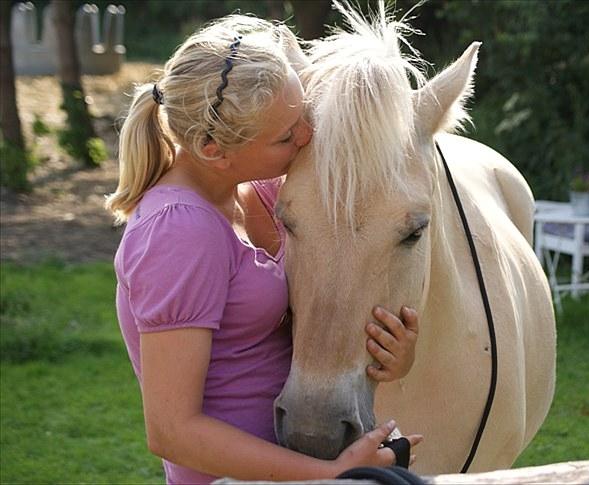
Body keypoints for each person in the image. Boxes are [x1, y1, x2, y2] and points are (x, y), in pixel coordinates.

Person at [105, 14, 422, 485]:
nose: (307, 137)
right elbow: (172, 430)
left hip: (291, 466)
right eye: (285, 134)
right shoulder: (180, 232)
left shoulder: (259, 196)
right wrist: (330, 473)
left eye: (304, 117)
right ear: (214, 149)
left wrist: (395, 355)